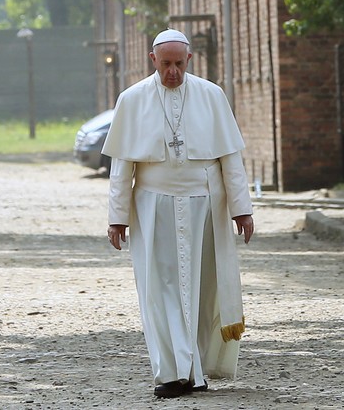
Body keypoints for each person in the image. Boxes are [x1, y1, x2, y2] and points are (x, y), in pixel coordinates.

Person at [103, 29, 254, 399]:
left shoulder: (211, 96)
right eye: (165, 64)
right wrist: (117, 216)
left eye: (179, 64)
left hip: (205, 203)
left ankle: (195, 367)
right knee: (161, 287)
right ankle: (172, 372)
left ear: (190, 60)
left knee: (201, 290)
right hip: (153, 204)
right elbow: (122, 166)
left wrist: (242, 209)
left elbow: (230, 160)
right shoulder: (132, 99)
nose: (173, 72)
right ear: (153, 60)